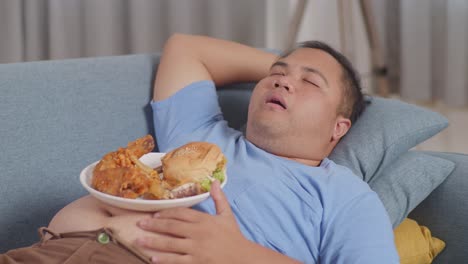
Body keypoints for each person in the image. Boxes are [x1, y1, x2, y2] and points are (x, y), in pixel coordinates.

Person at [0, 34, 399, 264]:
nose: (281, 82)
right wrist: (292, 68)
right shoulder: (201, 140)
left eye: (311, 84)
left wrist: (239, 254)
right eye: (274, 76)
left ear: (338, 127)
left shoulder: (345, 196)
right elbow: (185, 48)